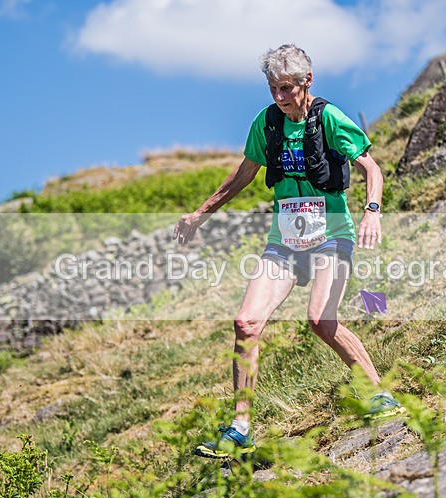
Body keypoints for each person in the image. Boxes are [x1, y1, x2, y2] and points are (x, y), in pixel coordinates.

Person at [173, 44, 404, 459]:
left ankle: (377, 394)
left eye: (286, 88)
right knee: (245, 322)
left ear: (306, 83)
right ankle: (240, 429)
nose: (279, 97)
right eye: (272, 89)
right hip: (283, 243)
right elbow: (243, 174)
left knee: (320, 320)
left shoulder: (329, 118)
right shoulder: (266, 123)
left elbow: (371, 167)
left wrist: (372, 212)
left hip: (332, 236)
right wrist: (199, 215)